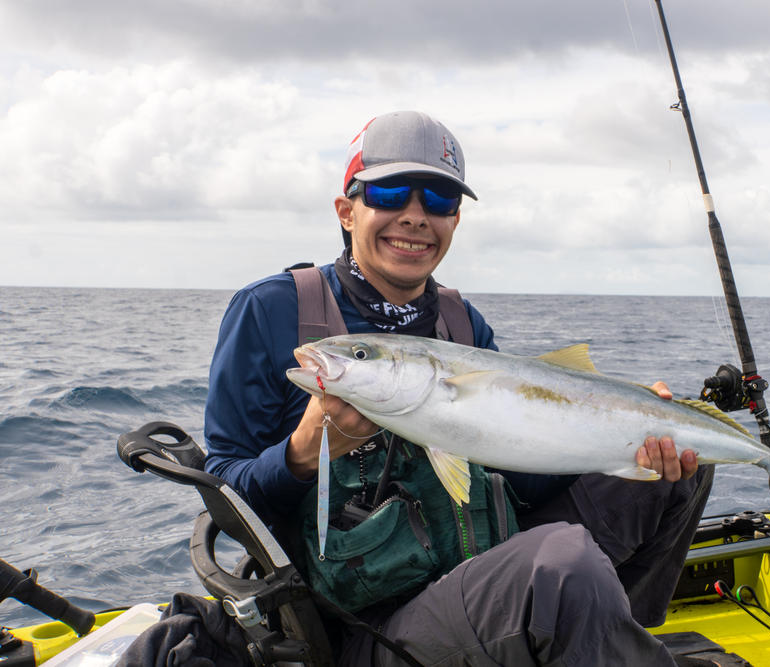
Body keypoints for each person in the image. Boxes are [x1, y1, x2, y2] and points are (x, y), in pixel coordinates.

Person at [204, 110, 714, 666]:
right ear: (347, 212)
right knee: (563, 563)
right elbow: (224, 486)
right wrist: (303, 455)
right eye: (392, 192)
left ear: (455, 221)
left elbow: (514, 478)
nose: (415, 217)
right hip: (360, 627)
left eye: (440, 201)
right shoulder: (274, 310)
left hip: (475, 568)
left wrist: (622, 433)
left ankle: (606, 640)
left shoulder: (460, 323)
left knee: (684, 464)